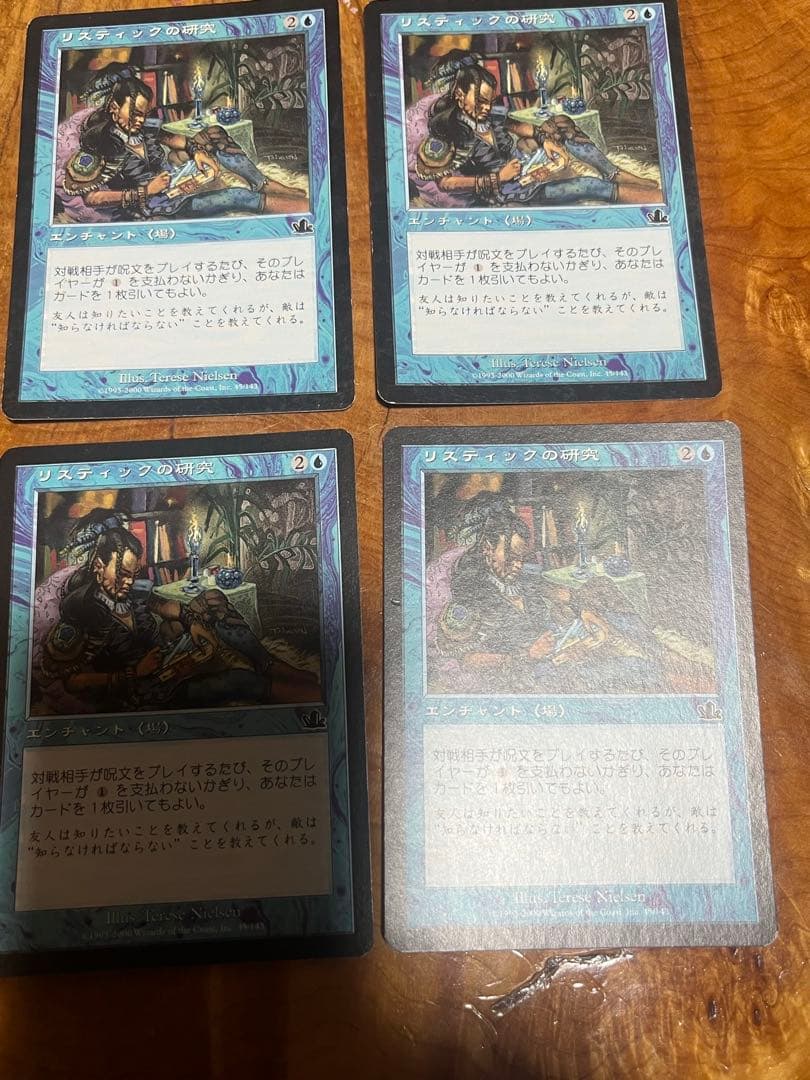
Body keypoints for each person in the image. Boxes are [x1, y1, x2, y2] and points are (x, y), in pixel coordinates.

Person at [40, 514, 317, 710]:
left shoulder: (132, 592)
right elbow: (71, 681)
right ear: (99, 565)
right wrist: (133, 673)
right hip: (143, 692)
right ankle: (312, 701)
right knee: (241, 682)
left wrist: (190, 619)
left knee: (212, 600)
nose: (129, 582)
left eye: (133, 575)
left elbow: (163, 605)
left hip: (168, 659)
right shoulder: (80, 611)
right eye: (122, 574)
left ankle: (268, 663)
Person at [415, 52, 660, 207]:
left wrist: (545, 139)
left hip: (527, 170)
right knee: (590, 186)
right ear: (459, 94)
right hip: (510, 193)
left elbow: (521, 127)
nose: (486, 108)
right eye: (480, 101)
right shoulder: (445, 131)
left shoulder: (490, 115)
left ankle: (613, 173)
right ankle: (661, 202)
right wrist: (498, 178)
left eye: (490, 101)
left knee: (560, 124)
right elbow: (446, 183)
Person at [62, 66, 307, 220]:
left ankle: (262, 183)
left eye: (144, 114)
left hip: (176, 182)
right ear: (114, 107)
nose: (140, 120)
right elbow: (92, 198)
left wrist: (196, 151)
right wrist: (145, 191)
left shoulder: (143, 128)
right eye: (134, 114)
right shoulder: (97, 144)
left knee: (214, 133)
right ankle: (309, 211)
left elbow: (174, 139)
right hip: (158, 206)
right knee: (239, 196)